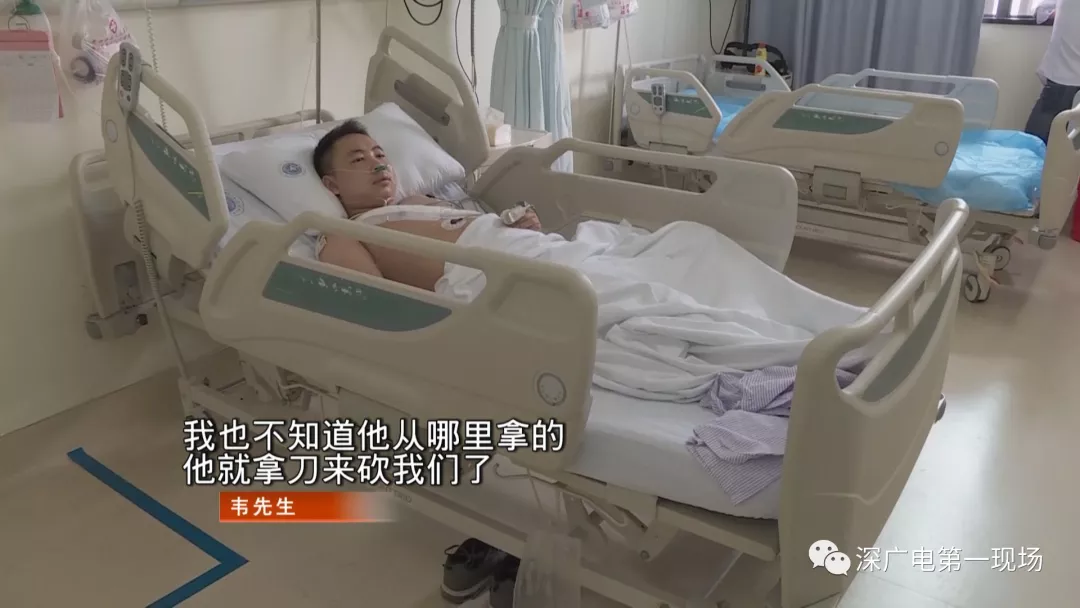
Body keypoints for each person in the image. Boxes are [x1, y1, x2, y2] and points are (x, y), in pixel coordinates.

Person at [311, 120, 541, 291]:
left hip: (525, 250)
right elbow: (375, 302)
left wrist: (518, 225)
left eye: (380, 155)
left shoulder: (417, 201)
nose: (378, 165)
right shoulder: (341, 234)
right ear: (332, 185)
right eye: (359, 159)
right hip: (488, 279)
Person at [1025, 0, 1080, 143]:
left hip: (1062, 80)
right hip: (1064, 79)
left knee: (1033, 144)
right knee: (1066, 145)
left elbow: (1039, 10)